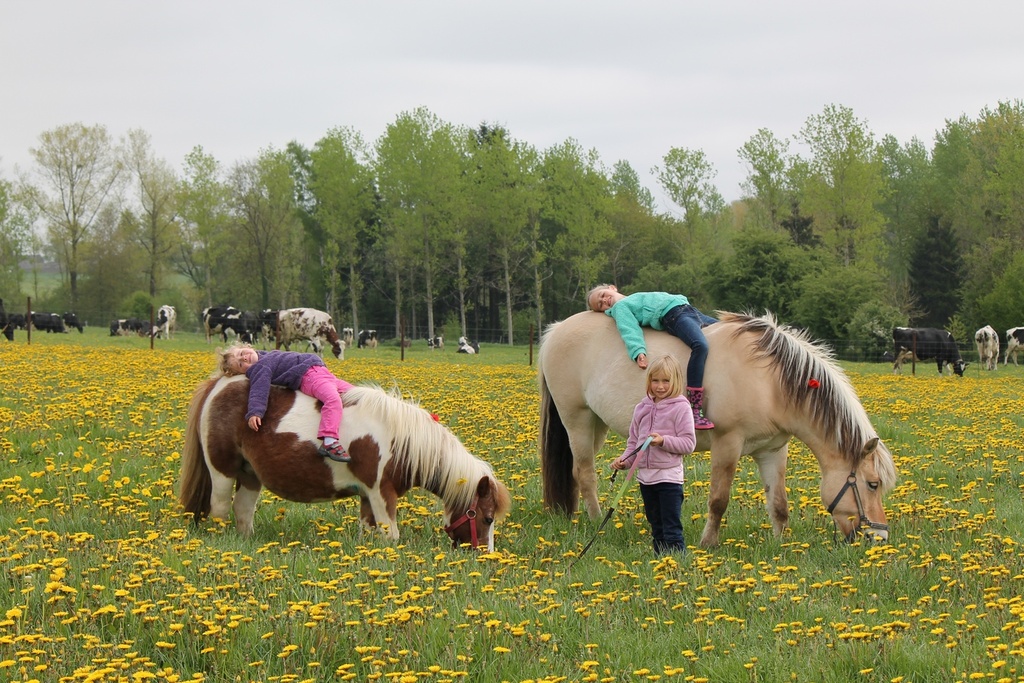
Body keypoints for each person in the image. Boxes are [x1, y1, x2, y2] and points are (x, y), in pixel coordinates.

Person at [587, 284, 717, 429]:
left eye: (603, 295)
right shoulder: (620, 307)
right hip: (675, 316)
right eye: (600, 305)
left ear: (612, 288)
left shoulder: (634, 297)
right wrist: (638, 351)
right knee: (700, 345)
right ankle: (694, 407)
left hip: (689, 309)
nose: (604, 301)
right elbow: (629, 329)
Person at [612, 354, 696, 556]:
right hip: (646, 479)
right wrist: (625, 460)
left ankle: (678, 563)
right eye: (655, 380)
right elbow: (634, 442)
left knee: (671, 527)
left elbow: (689, 443)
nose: (660, 386)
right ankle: (660, 560)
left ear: (675, 381)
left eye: (666, 381)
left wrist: (663, 441)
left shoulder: (681, 408)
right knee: (656, 525)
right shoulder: (642, 407)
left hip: (669, 478)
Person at [217, 343, 354, 462]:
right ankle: (329, 440)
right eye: (241, 364)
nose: (244, 358)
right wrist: (255, 411)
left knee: (357, 395)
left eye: (242, 353)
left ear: (247, 347)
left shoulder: (264, 356)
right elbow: (259, 388)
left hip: (323, 374)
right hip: (309, 377)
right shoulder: (259, 368)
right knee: (332, 399)